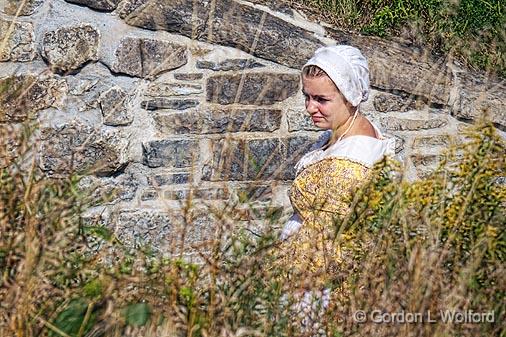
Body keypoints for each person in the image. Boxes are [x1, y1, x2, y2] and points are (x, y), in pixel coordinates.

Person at [275, 45, 395, 333]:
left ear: (350, 96)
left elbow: (334, 247)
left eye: (321, 99)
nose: (309, 108)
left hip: (319, 293)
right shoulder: (343, 133)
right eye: (307, 96)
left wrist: (276, 270)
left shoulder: (352, 161)